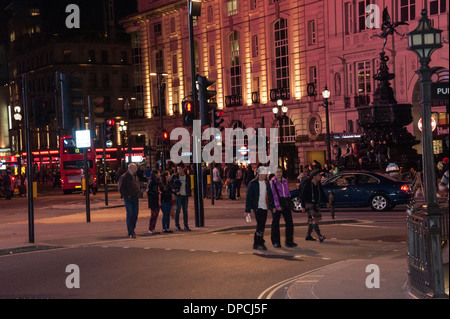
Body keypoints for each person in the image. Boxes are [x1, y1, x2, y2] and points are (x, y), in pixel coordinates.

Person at [245, 166, 275, 250]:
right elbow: (249, 197)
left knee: (262, 224)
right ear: (259, 174)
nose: (265, 174)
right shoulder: (253, 183)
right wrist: (247, 210)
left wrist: (272, 206)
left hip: (265, 206)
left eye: (266, 173)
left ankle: (258, 241)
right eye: (263, 173)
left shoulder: (267, 183)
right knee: (260, 224)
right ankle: (258, 242)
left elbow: (270, 196)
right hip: (257, 206)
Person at [269, 166, 297, 248]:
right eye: (277, 172)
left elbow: (287, 192)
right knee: (275, 223)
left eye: (280, 171)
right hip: (277, 204)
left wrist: (289, 202)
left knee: (289, 223)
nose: (279, 173)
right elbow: (272, 195)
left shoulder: (285, 181)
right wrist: (276, 206)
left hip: (285, 203)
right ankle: (276, 242)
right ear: (274, 173)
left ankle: (289, 241)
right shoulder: (272, 182)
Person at [299, 169, 328, 242]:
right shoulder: (308, 184)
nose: (320, 177)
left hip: (316, 203)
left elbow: (322, 192)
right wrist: (303, 206)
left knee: (312, 220)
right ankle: (320, 236)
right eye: (318, 175)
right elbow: (302, 195)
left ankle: (308, 235)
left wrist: (326, 201)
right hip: (309, 203)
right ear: (314, 176)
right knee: (314, 220)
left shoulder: (318, 184)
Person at [118, 163, 141, 238]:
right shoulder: (124, 177)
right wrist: (126, 195)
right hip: (129, 198)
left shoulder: (136, 177)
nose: (136, 169)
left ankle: (132, 229)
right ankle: (130, 231)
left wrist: (138, 192)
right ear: (130, 168)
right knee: (130, 214)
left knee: (135, 214)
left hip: (135, 197)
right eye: (135, 168)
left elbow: (137, 185)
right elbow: (120, 188)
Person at [170, 163, 191, 231]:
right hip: (178, 196)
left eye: (180, 169)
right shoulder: (175, 176)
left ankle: (186, 225)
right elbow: (171, 185)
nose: (178, 170)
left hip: (185, 195)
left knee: (185, 210)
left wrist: (188, 193)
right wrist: (175, 191)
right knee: (177, 210)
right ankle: (177, 225)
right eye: (178, 169)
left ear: (183, 169)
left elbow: (189, 186)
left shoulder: (187, 177)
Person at [146, 170, 160, 235]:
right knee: (153, 215)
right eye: (159, 173)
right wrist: (156, 193)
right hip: (153, 200)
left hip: (156, 200)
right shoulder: (152, 181)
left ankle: (153, 228)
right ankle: (150, 229)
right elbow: (148, 191)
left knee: (156, 214)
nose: (159, 174)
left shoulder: (156, 181)